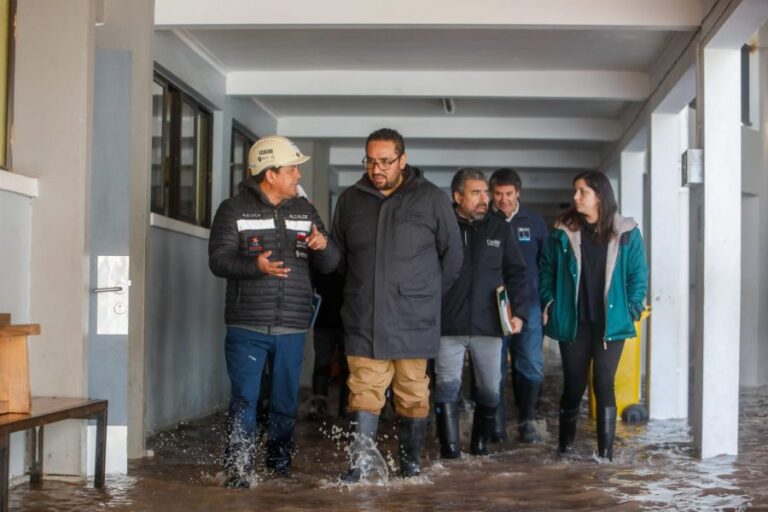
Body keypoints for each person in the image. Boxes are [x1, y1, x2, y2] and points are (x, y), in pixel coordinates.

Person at [208, 135, 340, 486]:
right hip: (246, 325)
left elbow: (331, 264)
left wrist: (323, 245)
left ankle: (278, 467)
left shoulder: (305, 211)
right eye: (292, 169)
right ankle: (238, 471)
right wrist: (256, 267)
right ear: (270, 174)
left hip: (293, 326)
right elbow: (218, 261)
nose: (298, 175)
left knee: (284, 402)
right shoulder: (232, 210)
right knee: (245, 400)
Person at [331, 128, 463, 480]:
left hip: (413, 318)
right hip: (364, 315)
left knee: (413, 394)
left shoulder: (431, 198)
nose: (377, 169)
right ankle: (359, 468)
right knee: (363, 391)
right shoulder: (349, 200)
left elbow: (453, 257)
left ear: (403, 160)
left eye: (385, 161)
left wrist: (426, 296)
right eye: (371, 161)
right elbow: (339, 260)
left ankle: (410, 467)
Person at [539, 171, 648, 461]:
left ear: (599, 196)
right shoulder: (562, 231)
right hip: (575, 324)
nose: (575, 197)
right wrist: (549, 303)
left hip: (610, 324)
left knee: (604, 384)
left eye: (582, 191)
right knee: (573, 385)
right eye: (575, 191)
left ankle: (605, 456)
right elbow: (545, 270)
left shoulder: (627, 232)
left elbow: (639, 276)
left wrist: (632, 308)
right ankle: (564, 451)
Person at [435, 169, 528, 459]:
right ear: (457, 196)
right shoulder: (441, 226)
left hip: (489, 325)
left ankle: (479, 446)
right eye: (476, 193)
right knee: (446, 388)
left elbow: (517, 274)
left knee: (491, 391)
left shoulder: (500, 229)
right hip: (447, 325)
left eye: (485, 193)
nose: (484, 199)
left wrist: (519, 313)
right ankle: (450, 454)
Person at [488, 168, 549, 444]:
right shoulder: (485, 221)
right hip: (493, 306)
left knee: (532, 365)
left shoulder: (534, 223)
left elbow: (546, 265)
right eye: (498, 194)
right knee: (494, 367)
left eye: (508, 194)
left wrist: (547, 302)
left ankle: (526, 422)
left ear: (518, 193)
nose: (503, 200)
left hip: (532, 307)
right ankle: (497, 426)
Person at [307, 269, 349, 420]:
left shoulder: (352, 255)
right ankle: (319, 406)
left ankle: (345, 407)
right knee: (322, 363)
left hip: (348, 321)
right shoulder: (321, 253)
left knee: (347, 366)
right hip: (324, 320)